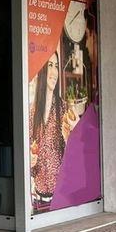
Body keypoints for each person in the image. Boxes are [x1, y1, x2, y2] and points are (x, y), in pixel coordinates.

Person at [29, 52, 76, 210]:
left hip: (61, 196)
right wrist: (30, 161)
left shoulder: (64, 109)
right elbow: (30, 167)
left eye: (56, 66)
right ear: (42, 71)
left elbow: (74, 156)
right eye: (50, 65)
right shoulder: (31, 113)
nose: (54, 72)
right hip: (38, 199)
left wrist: (72, 136)